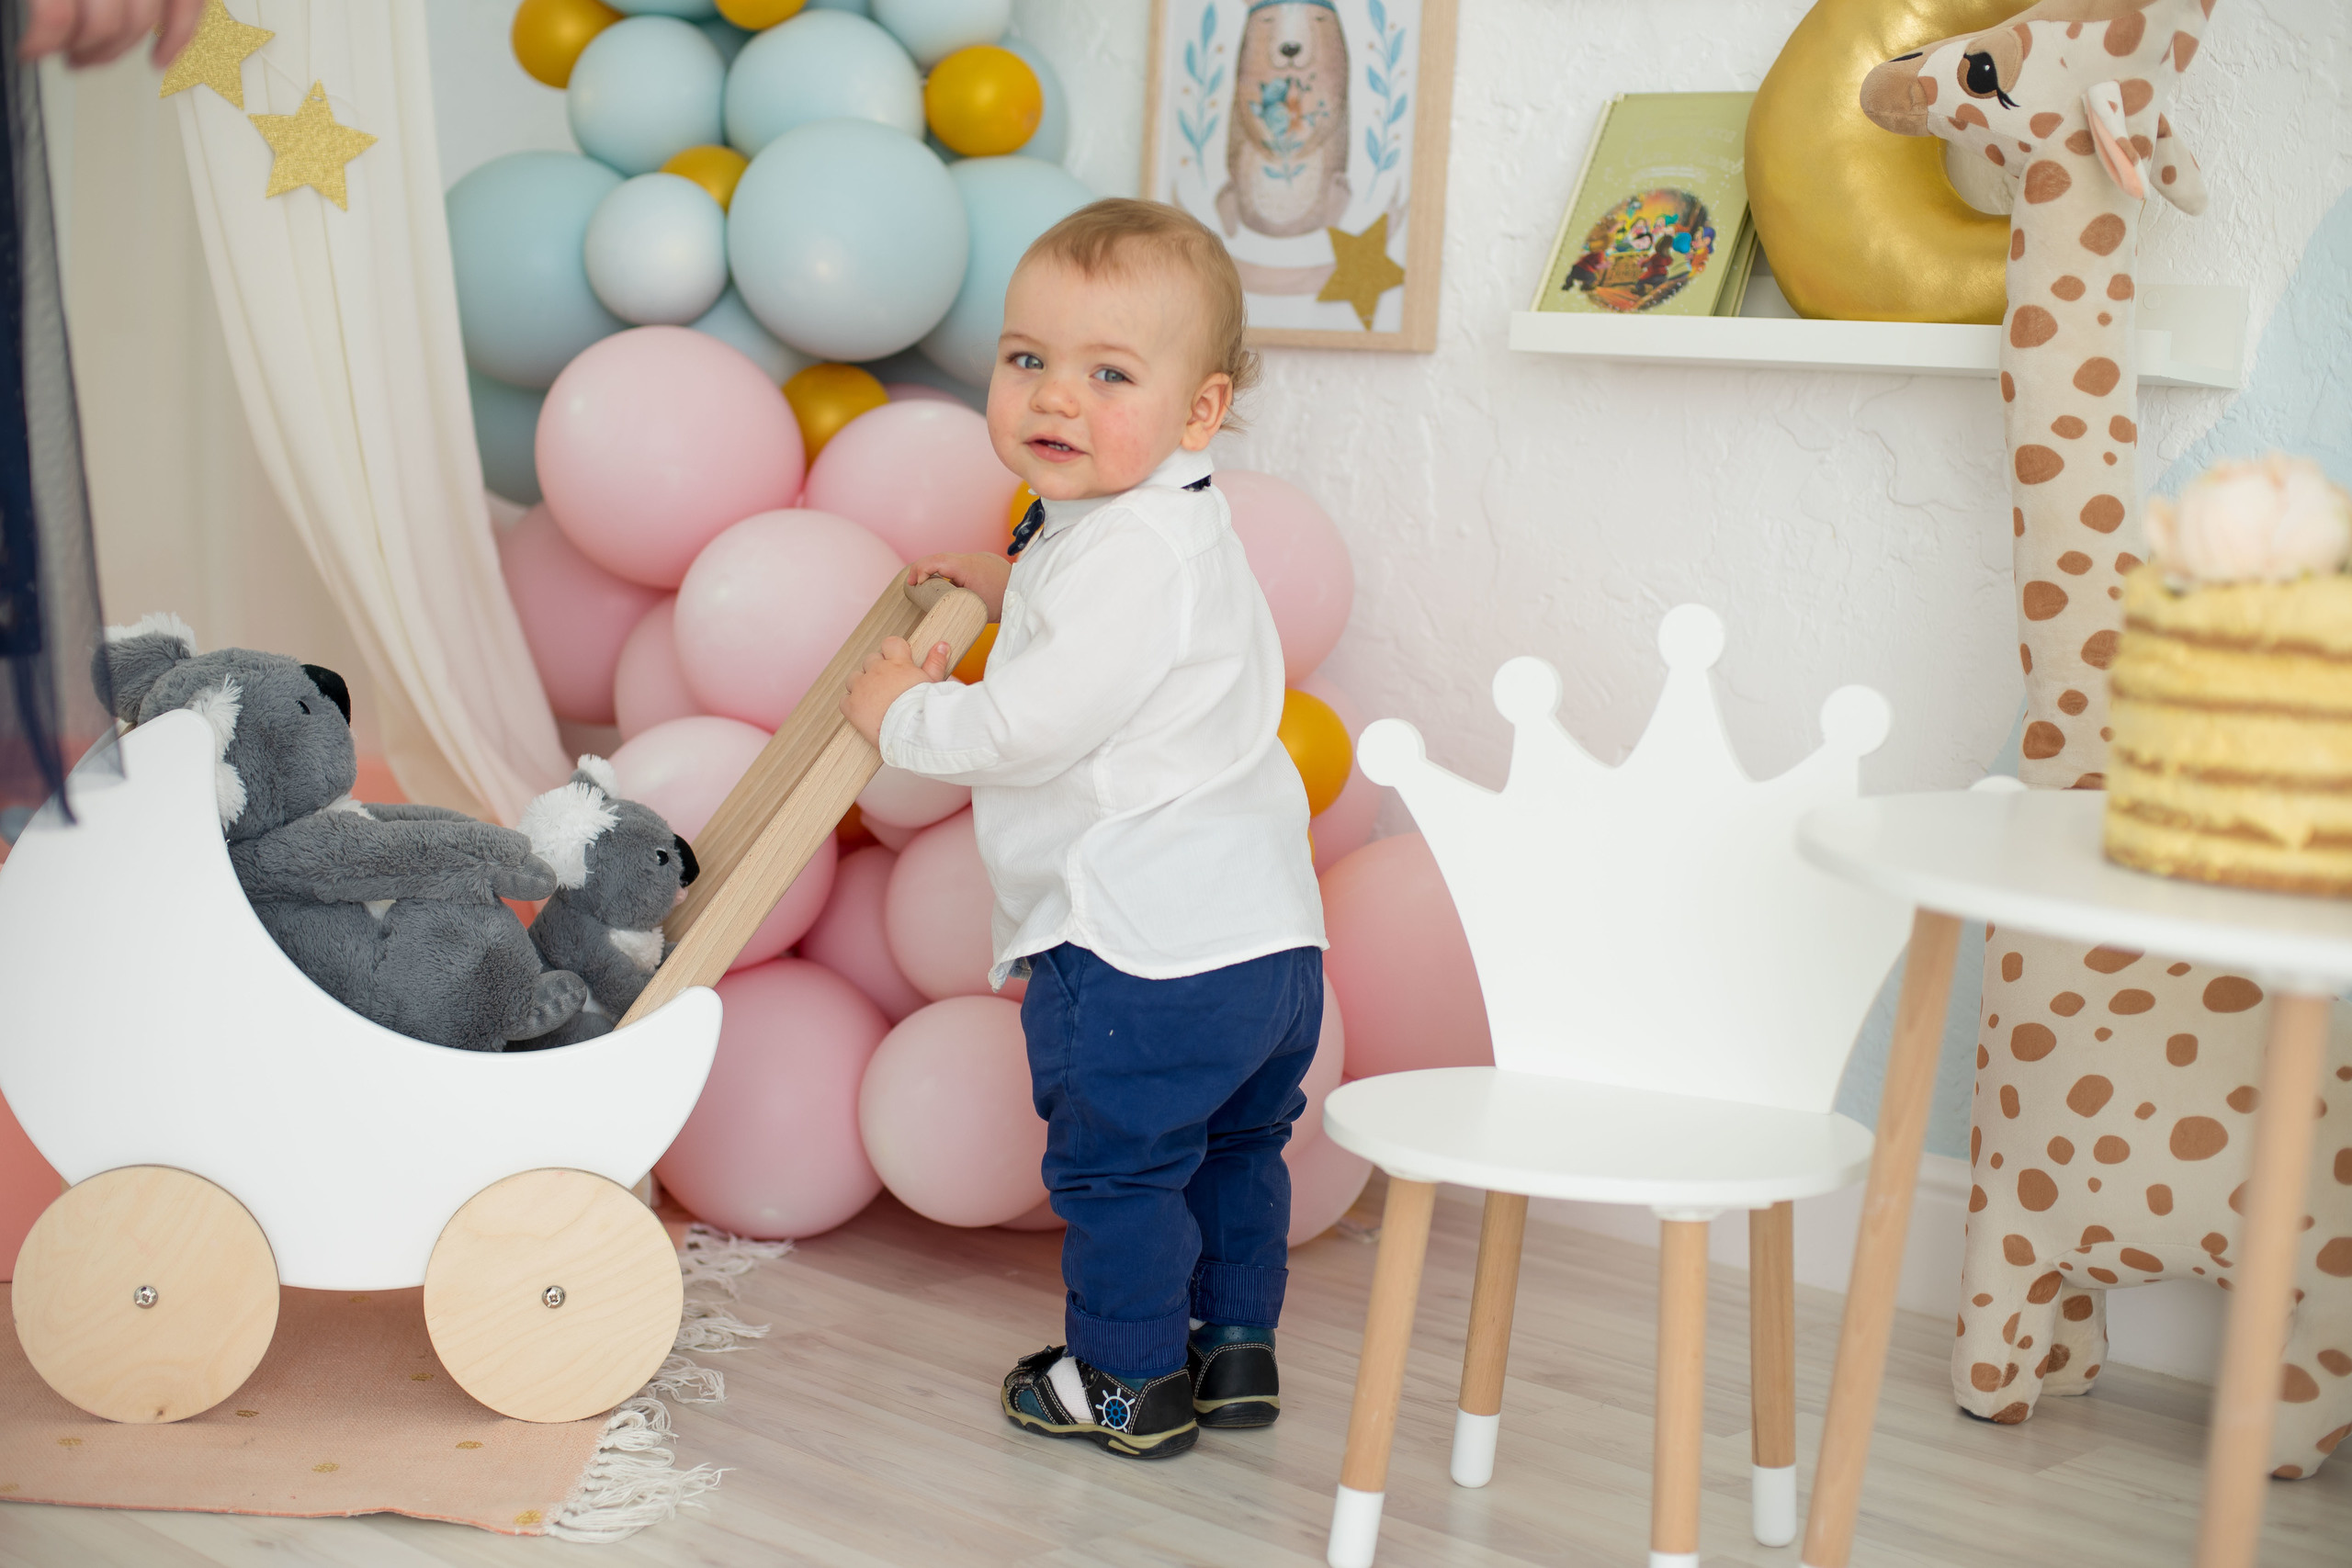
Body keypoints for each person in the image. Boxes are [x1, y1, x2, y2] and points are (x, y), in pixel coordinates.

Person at [841, 198, 1326, 1461]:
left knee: (1122, 1171)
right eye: (1027, 360)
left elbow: (1024, 729)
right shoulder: (1163, 515)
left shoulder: (1124, 558)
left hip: (1140, 943)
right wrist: (1016, 585)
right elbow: (1117, 623)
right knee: (1237, 1148)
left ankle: (1123, 1379)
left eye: (1109, 374)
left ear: (1200, 410)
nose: (1055, 397)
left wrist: (908, 718)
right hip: (1267, 943)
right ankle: (1233, 1349)